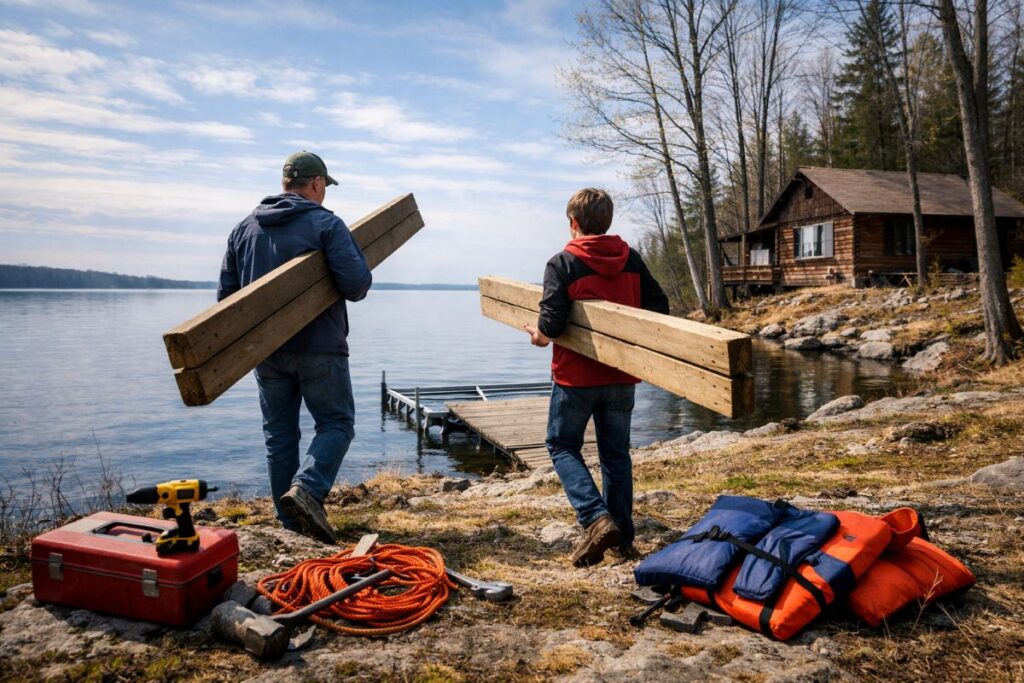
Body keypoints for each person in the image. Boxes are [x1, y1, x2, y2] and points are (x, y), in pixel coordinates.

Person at [218, 151, 372, 543]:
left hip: (266, 352)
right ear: (317, 183)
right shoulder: (326, 223)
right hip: (320, 346)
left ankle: (290, 526)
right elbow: (356, 286)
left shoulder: (242, 230)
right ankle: (306, 489)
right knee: (337, 423)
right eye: (325, 186)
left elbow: (226, 300)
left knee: (279, 436)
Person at [524, 188, 669, 567]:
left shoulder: (563, 263)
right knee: (616, 454)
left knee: (561, 445)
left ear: (573, 223)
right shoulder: (631, 259)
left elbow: (552, 324)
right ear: (607, 222)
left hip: (575, 377)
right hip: (622, 376)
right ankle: (622, 537)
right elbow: (659, 307)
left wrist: (539, 337)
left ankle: (595, 518)